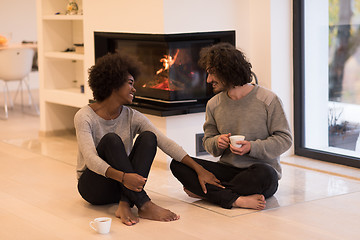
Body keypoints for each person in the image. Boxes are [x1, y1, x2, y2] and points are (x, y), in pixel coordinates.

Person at [74, 52, 198, 226]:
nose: (134, 89)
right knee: (111, 140)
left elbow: (165, 142)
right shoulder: (84, 116)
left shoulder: (133, 116)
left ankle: (125, 203)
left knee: (149, 137)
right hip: (94, 188)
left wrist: (199, 168)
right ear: (113, 84)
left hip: (122, 188)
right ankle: (144, 204)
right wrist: (124, 177)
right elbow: (90, 159)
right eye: (130, 83)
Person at [170, 42, 293, 210]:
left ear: (227, 71)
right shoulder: (213, 104)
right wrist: (216, 142)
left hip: (258, 173)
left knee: (266, 174)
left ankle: (209, 193)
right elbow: (208, 141)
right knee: (178, 164)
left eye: (212, 73)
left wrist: (251, 147)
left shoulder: (268, 99)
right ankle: (236, 199)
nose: (208, 80)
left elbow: (285, 139)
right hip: (227, 170)